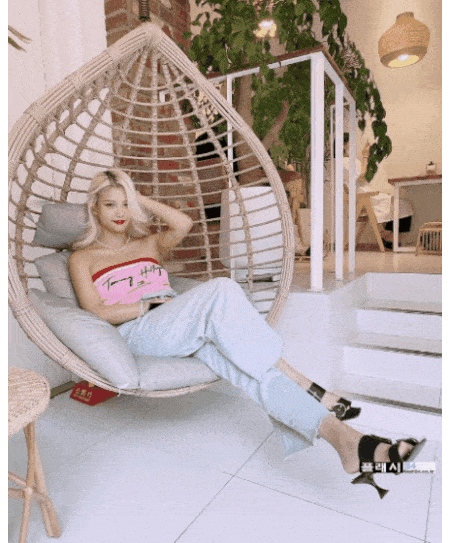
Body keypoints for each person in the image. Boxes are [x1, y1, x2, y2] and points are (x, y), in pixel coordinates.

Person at [68, 169, 425, 499]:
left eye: (125, 204)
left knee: (254, 373)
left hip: (183, 325)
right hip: (138, 329)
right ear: (94, 208)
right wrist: (148, 305)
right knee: (222, 288)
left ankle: (347, 442)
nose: (120, 212)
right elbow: (95, 311)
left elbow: (184, 222)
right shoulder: (83, 258)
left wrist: (137, 196)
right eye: (110, 204)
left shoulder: (148, 244)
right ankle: (303, 381)